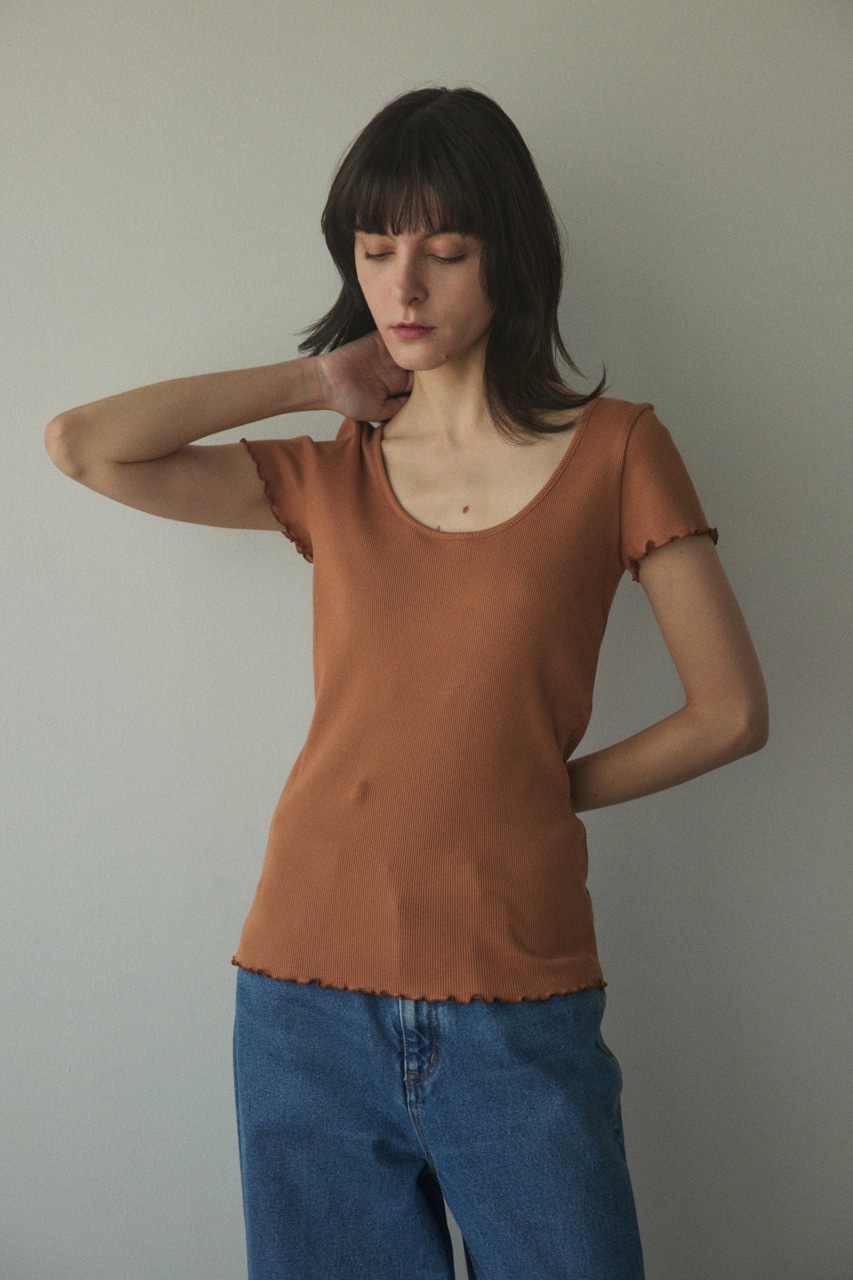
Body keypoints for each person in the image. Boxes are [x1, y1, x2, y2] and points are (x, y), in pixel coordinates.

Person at [45, 85, 768, 1280]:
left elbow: (729, 712)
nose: (405, 286)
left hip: (514, 994)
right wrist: (310, 383)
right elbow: (83, 445)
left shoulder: (618, 450)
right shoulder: (332, 473)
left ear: (509, 257)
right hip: (301, 997)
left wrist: (532, 786)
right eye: (376, 250)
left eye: (446, 249)